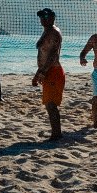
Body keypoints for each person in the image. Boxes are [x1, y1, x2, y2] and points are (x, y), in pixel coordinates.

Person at [32, 8, 65, 142]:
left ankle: (56, 135)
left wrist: (43, 72)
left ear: (53, 17)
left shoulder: (53, 32)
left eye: (46, 16)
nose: (43, 19)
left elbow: (52, 56)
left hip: (53, 72)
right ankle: (56, 133)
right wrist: (38, 73)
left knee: (51, 105)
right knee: (49, 104)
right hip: (48, 71)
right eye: (41, 17)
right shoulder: (47, 31)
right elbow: (44, 56)